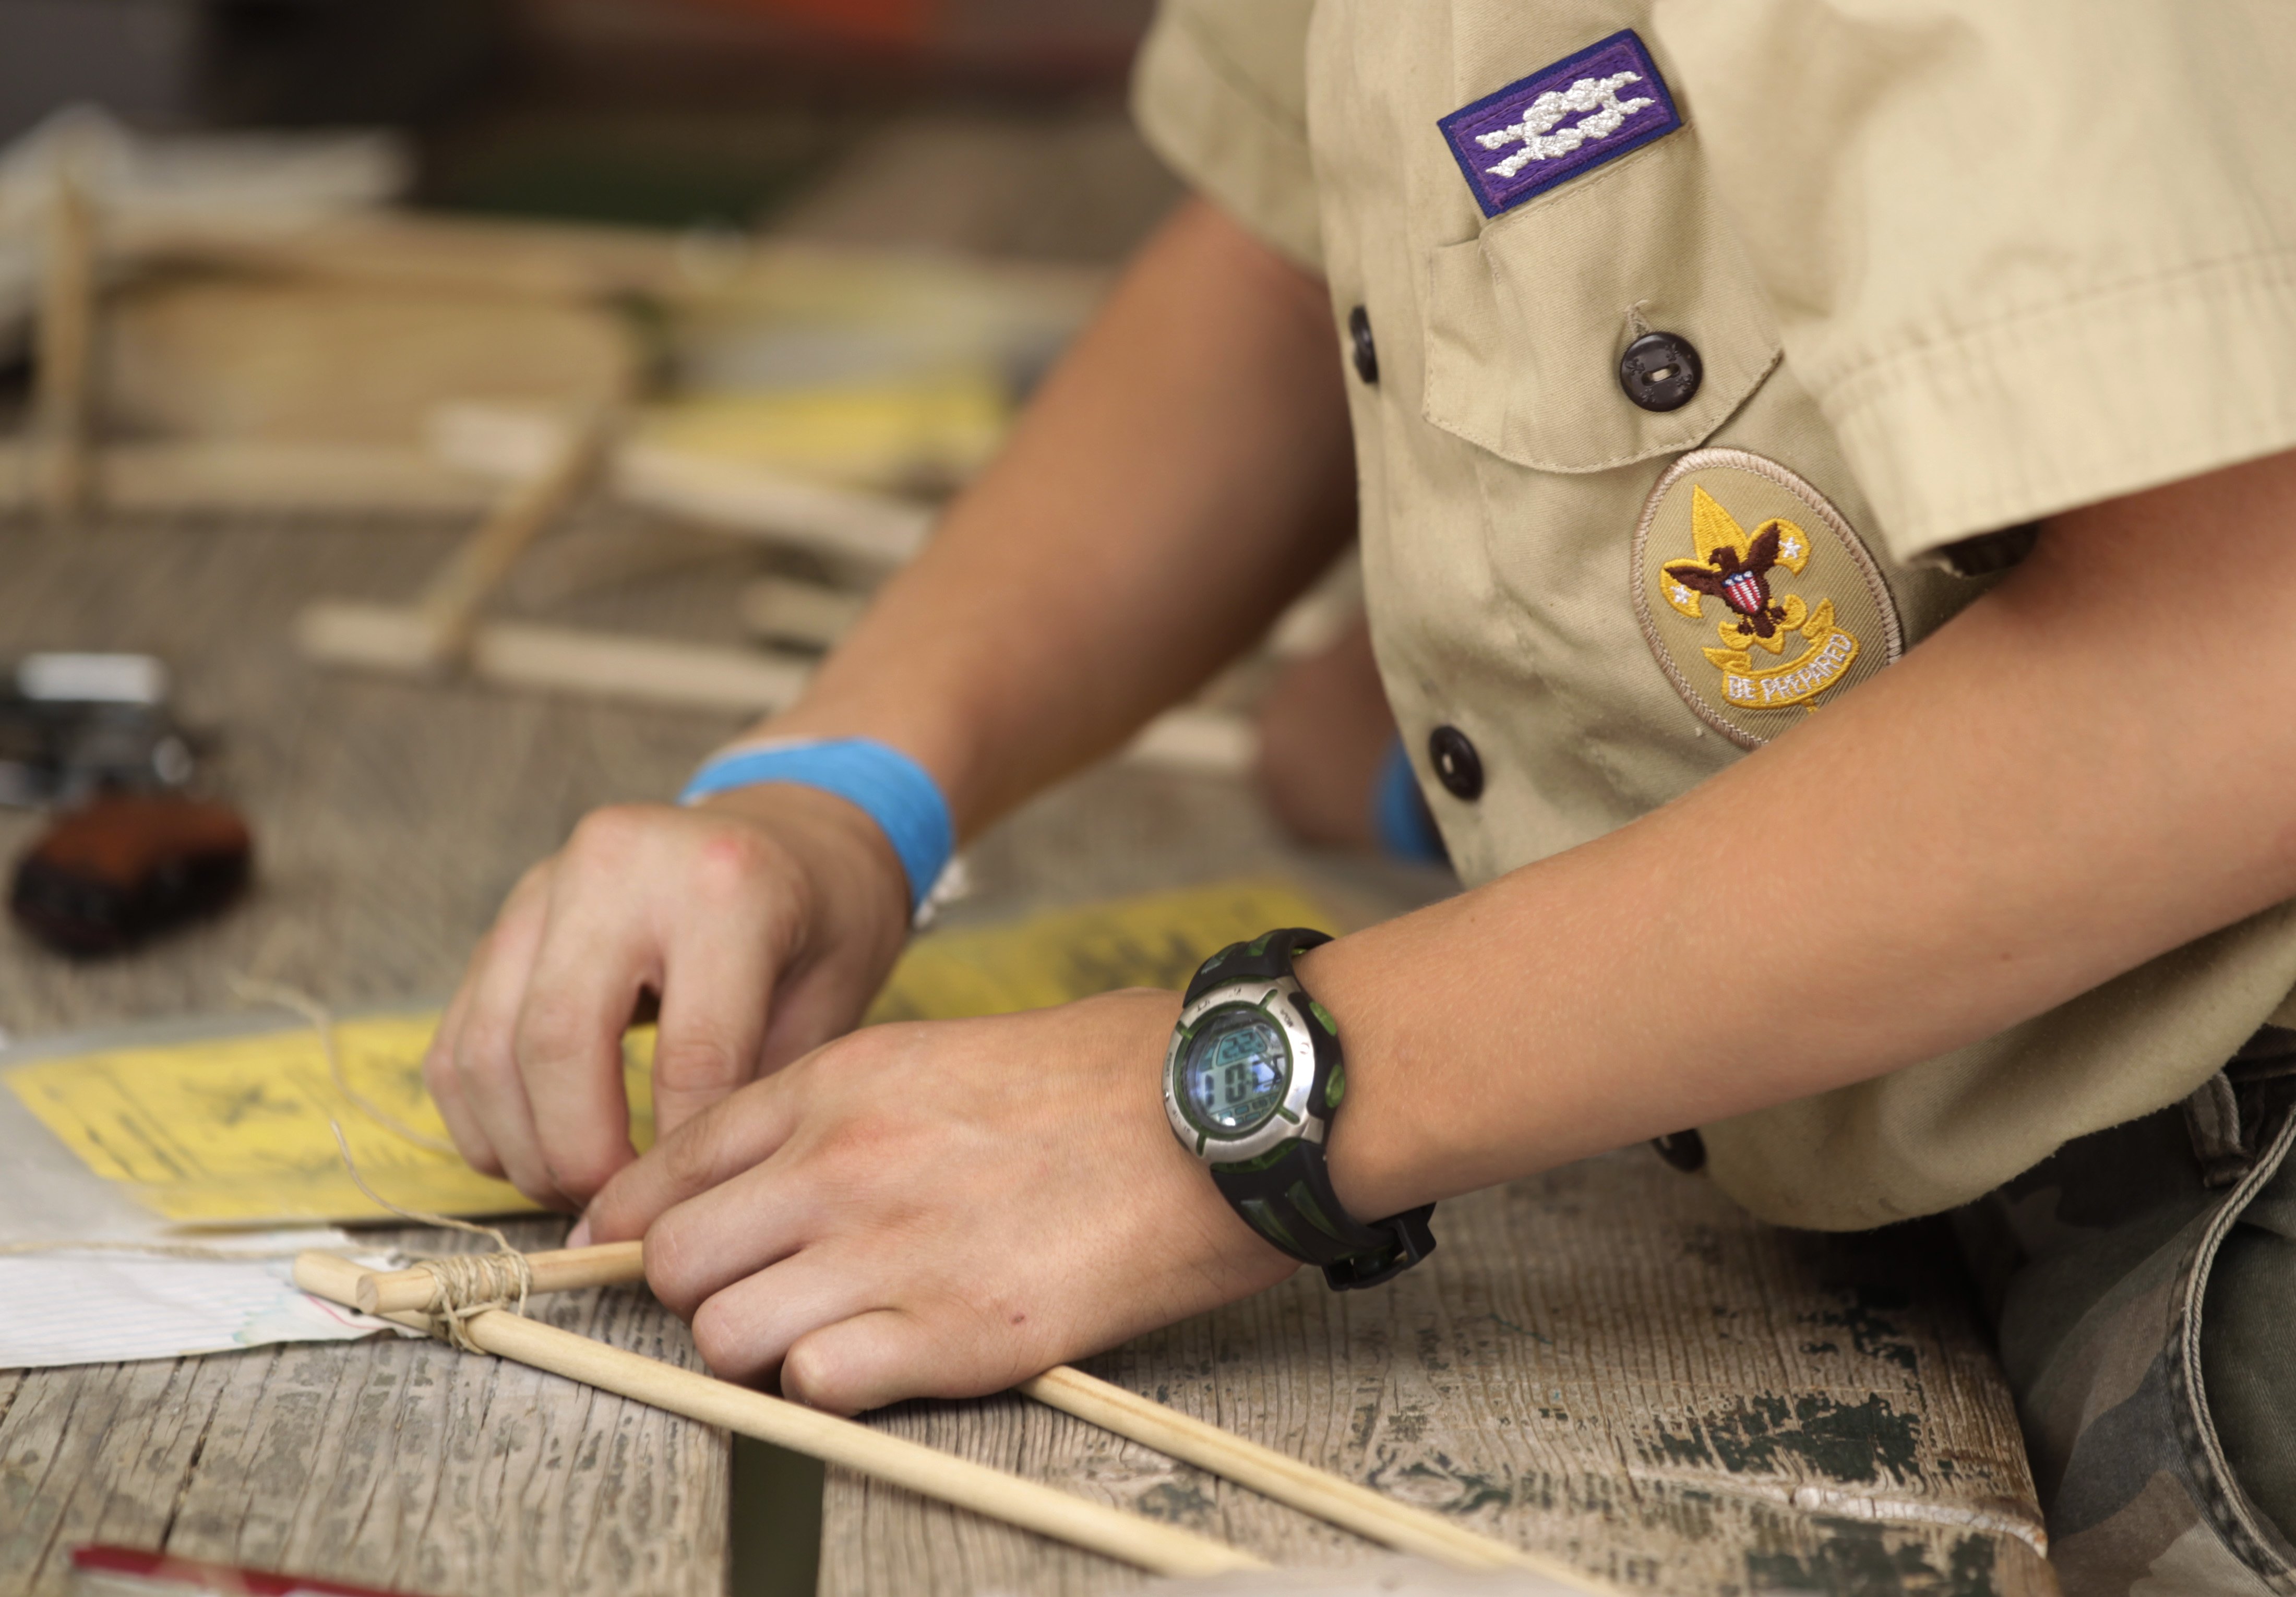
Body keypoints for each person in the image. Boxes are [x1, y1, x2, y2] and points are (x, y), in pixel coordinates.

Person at [421, 4, 2296, 1590]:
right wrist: (847, 789)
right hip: (1865, 1138)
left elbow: (2242, 658)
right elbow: (1329, 235)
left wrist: (1233, 1113)